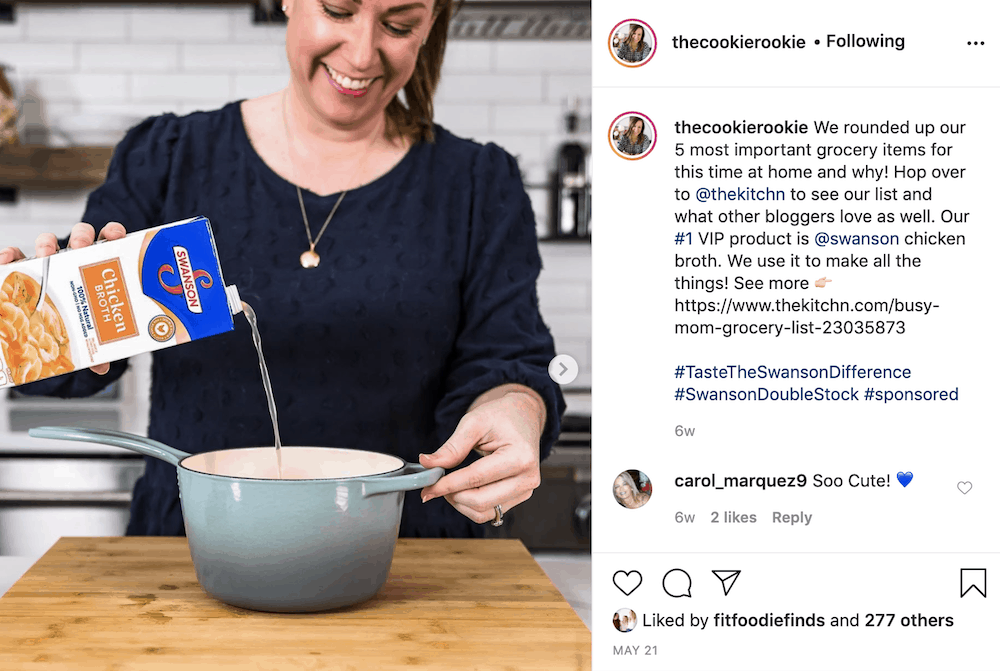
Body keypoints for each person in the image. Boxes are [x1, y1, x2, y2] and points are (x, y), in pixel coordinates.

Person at [1, 0, 565, 539]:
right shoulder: (171, 155)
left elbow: (506, 356)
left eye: (398, 25)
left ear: (430, 25)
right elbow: (68, 369)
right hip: (202, 540)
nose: (363, 54)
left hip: (404, 550)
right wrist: (30, 324)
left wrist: (517, 408)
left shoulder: (477, 184)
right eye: (338, 12)